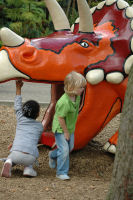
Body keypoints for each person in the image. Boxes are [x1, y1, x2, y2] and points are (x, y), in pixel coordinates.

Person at [1, 79, 43, 178]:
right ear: (37, 114)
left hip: (15, 153)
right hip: (30, 156)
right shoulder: (39, 127)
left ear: (23, 111)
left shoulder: (20, 119)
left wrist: (18, 88)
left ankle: (9, 162)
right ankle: (28, 169)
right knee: (29, 160)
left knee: (12, 157)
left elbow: (17, 105)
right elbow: (35, 139)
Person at [49, 71, 87, 180]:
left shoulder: (77, 96)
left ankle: (52, 155)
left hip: (69, 127)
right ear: (72, 87)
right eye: (80, 87)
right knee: (65, 150)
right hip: (61, 128)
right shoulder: (64, 102)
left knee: (70, 147)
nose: (83, 89)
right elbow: (60, 118)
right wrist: (66, 132)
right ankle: (61, 172)